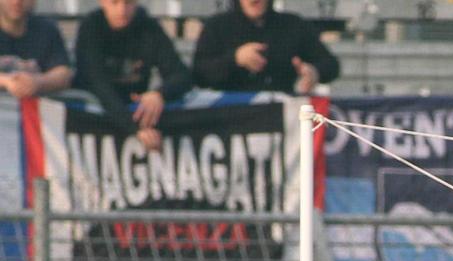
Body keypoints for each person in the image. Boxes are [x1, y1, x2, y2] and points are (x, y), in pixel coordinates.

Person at [75, 0, 192, 152]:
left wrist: (160, 93)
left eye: (128, 3)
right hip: (94, 121)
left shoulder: (148, 28)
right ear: (102, 2)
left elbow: (181, 75)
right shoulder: (91, 28)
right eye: (114, 3)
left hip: (135, 109)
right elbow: (96, 83)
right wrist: (134, 128)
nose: (122, 10)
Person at [192, 0, 339, 94]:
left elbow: (331, 65)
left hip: (282, 119)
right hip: (230, 119)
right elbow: (199, 74)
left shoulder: (293, 25)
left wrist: (314, 72)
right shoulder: (217, 26)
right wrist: (235, 59)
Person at [0, 0, 72, 100]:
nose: (16, 2)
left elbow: (63, 74)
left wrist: (38, 82)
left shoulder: (46, 30)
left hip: (37, 110)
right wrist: (6, 81)